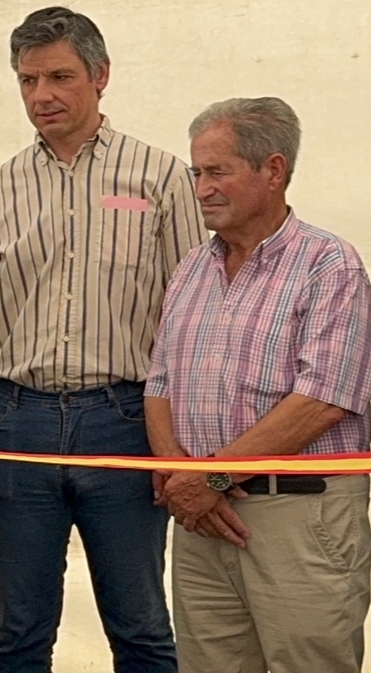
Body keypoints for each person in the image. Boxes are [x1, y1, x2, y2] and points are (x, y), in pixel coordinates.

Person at [0, 7, 206, 672]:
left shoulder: (161, 178)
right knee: (18, 631)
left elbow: (188, 319)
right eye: (27, 79)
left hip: (124, 420)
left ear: (100, 75)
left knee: (140, 626)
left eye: (59, 76)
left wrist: (174, 446)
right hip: (15, 423)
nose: (42, 95)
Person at [148, 97, 371, 673]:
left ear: (273, 170)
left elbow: (322, 399)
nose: (201, 189)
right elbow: (159, 384)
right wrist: (183, 479)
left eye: (217, 172)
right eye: (196, 172)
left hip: (298, 517)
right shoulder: (191, 270)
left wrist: (211, 478)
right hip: (201, 520)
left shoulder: (330, 266)